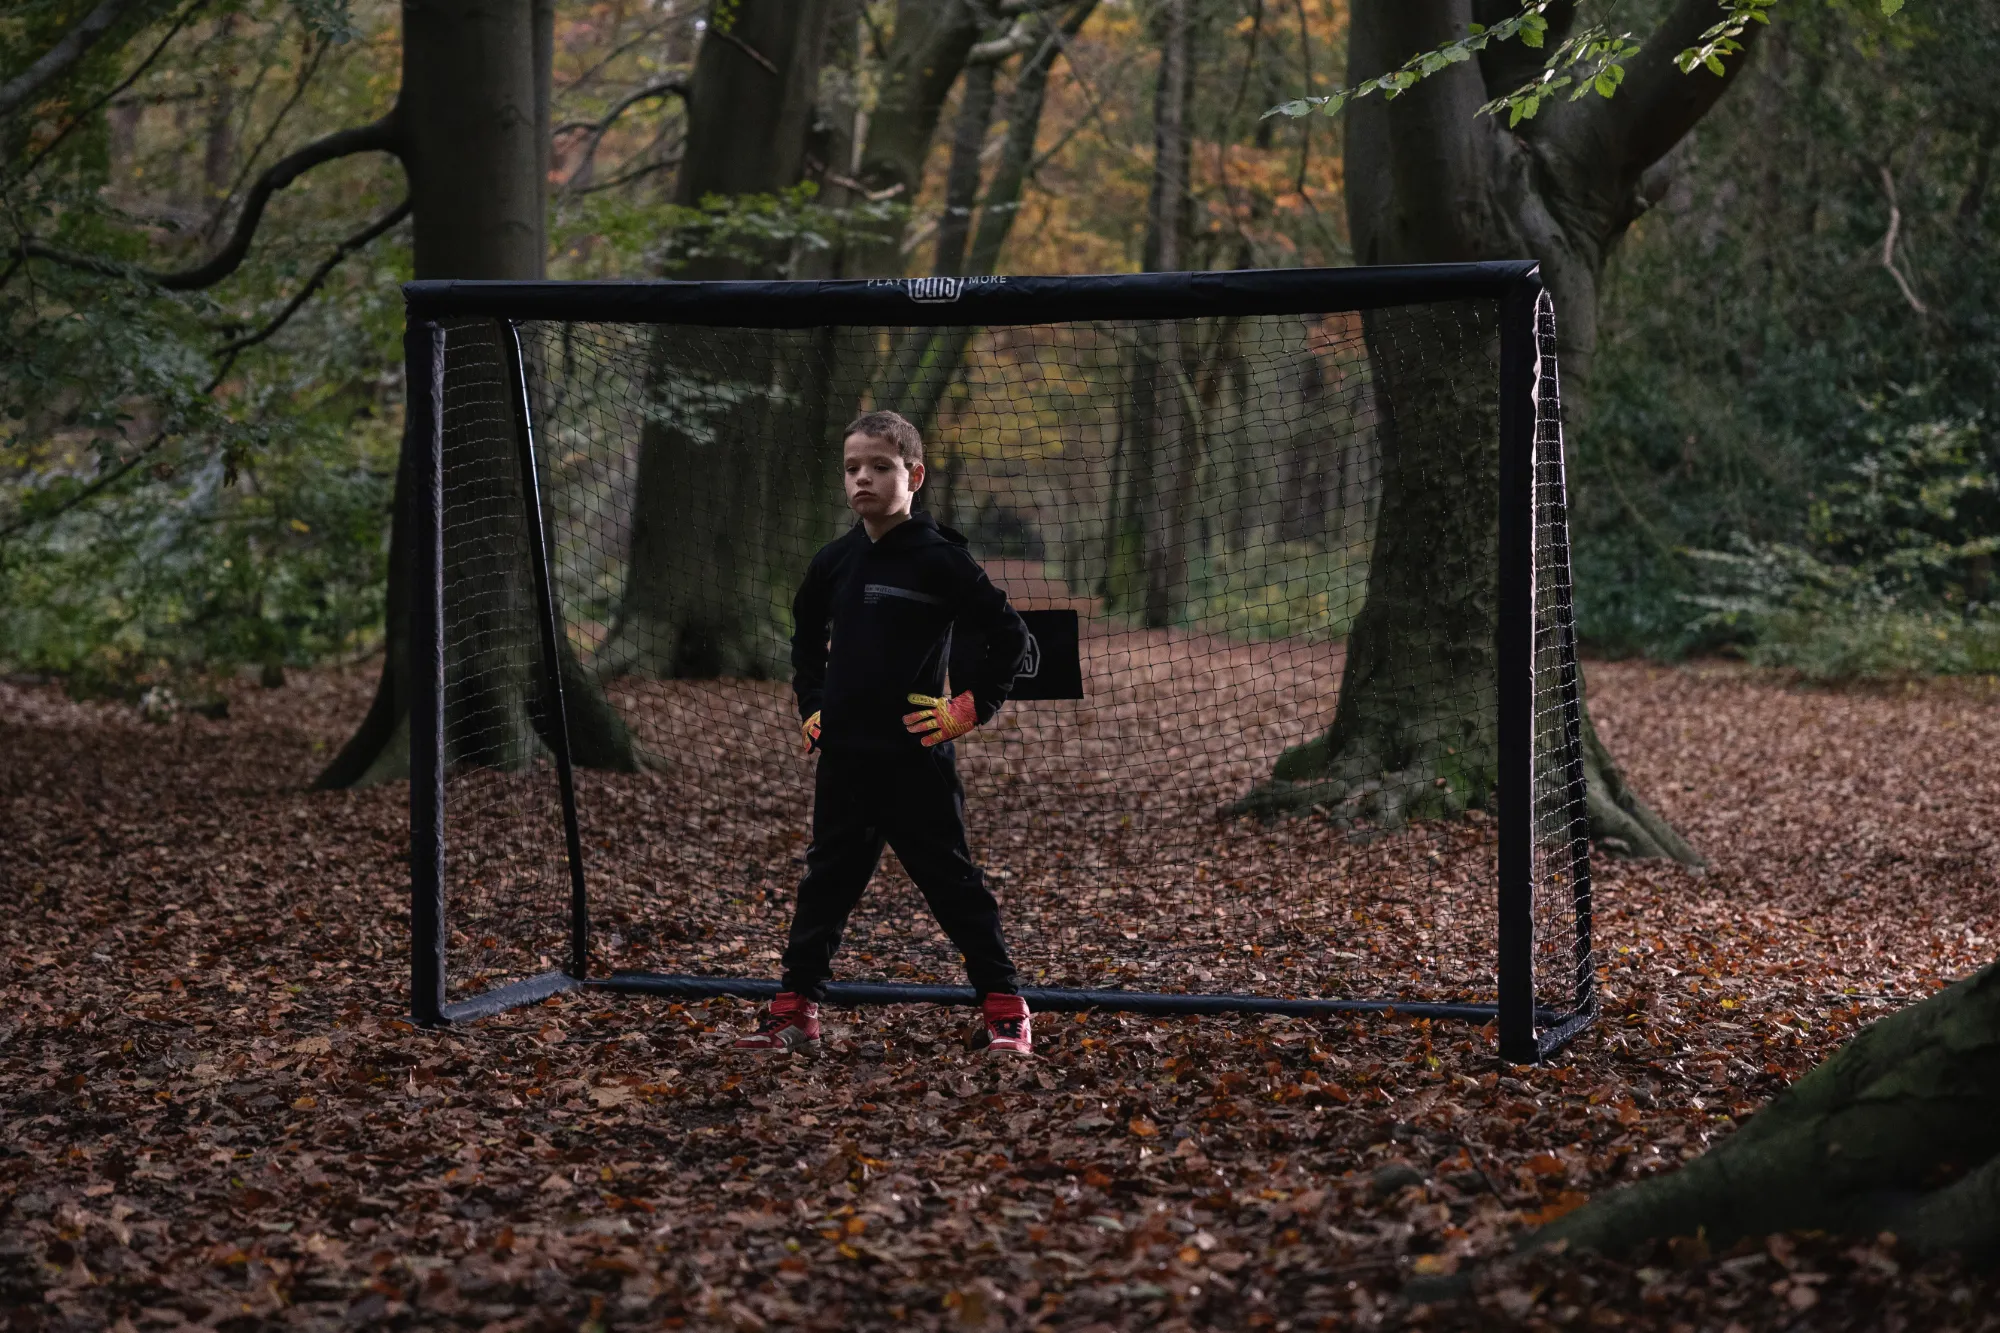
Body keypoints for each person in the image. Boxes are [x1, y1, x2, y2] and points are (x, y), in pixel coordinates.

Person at [734, 409, 1035, 1057]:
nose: (862, 479)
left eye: (880, 466)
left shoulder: (941, 559)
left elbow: (1011, 637)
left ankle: (1006, 1007)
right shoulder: (834, 561)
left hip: (915, 760)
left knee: (952, 884)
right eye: (851, 468)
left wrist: (969, 707)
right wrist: (811, 704)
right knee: (825, 885)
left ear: (914, 474)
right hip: (845, 759)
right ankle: (795, 1010)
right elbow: (805, 639)